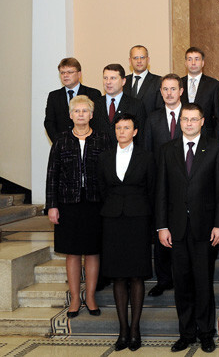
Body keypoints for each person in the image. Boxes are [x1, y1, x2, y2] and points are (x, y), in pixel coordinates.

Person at [156, 103, 219, 353]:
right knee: (182, 283)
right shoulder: (167, 150)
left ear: (202, 121)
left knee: (203, 282)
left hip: (205, 229)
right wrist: (162, 226)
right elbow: (162, 192)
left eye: (193, 119)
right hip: (175, 229)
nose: (188, 123)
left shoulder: (215, 148)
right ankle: (186, 332)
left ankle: (206, 332)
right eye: (184, 119)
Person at [45, 95, 110, 319]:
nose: (81, 114)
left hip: (95, 203)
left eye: (85, 111)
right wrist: (52, 206)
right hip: (68, 204)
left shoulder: (102, 139)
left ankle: (90, 296)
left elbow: (108, 174)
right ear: (70, 115)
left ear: (92, 115)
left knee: (92, 251)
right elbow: (52, 175)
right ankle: (74, 298)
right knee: (72, 252)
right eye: (77, 111)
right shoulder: (61, 140)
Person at [97, 113, 155, 352]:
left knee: (136, 276)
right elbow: (101, 188)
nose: (122, 131)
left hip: (138, 220)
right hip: (112, 221)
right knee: (118, 276)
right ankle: (122, 330)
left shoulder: (147, 157)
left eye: (126, 128)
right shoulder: (104, 157)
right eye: (118, 128)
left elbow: (152, 190)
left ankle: (135, 330)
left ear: (135, 131)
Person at [143, 73, 185, 297]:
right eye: (165, 89)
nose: (169, 93)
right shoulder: (152, 119)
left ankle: (180, 277)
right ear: (161, 92)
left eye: (173, 89)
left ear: (181, 91)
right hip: (160, 185)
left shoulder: (191, 116)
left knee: (180, 231)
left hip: (185, 185)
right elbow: (148, 154)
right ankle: (163, 279)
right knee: (160, 230)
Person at [44, 58, 101, 143]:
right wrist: (59, 143)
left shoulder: (93, 94)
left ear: (79, 74)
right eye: (62, 72)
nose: (65, 75)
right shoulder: (54, 96)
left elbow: (97, 121)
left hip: (88, 144)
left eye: (70, 72)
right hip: (62, 146)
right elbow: (49, 123)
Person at [92, 64, 146, 146]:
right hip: (100, 155)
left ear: (123, 81)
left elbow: (141, 137)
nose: (108, 82)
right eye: (105, 78)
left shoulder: (136, 105)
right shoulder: (94, 104)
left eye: (113, 78)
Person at [181, 47, 219, 141]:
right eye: (189, 59)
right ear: (185, 63)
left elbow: (218, 117)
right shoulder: (178, 83)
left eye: (197, 59)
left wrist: (218, 143)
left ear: (203, 63)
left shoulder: (214, 85)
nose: (193, 63)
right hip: (182, 137)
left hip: (207, 137)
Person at [123, 45, 163, 115]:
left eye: (142, 58)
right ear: (130, 61)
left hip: (149, 125)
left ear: (148, 60)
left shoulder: (159, 82)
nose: (139, 61)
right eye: (135, 58)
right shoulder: (123, 82)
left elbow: (160, 110)